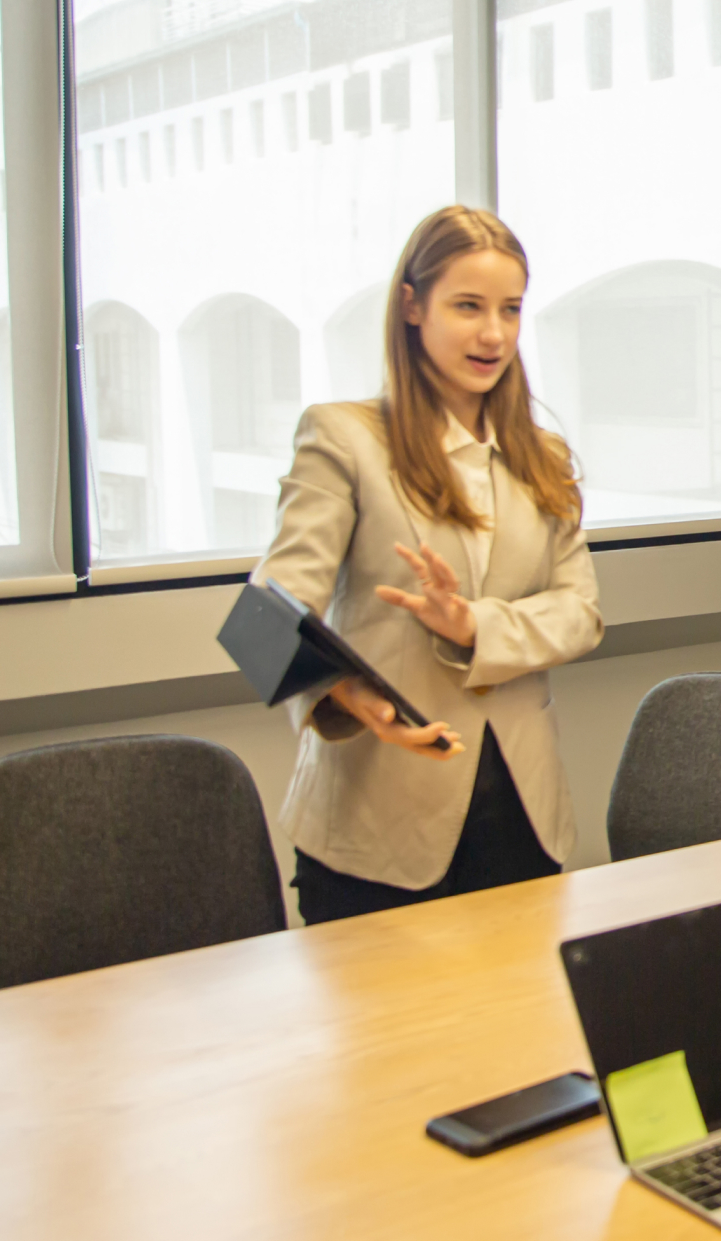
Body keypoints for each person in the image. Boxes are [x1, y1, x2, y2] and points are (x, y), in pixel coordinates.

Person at [258, 205, 603, 923]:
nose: (494, 334)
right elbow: (267, 616)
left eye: (510, 310)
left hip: (521, 815)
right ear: (412, 306)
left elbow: (581, 615)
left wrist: (472, 625)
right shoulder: (345, 438)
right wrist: (346, 696)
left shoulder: (543, 458)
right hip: (377, 821)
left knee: (518, 1031)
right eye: (468, 307)